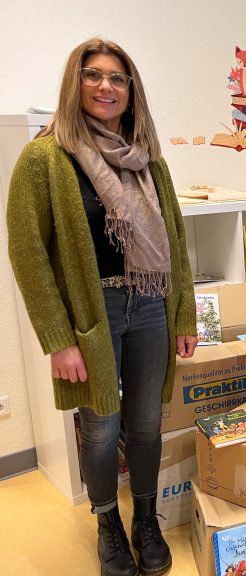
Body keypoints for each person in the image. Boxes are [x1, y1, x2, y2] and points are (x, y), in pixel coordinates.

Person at [6, 38, 197, 576]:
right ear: (76, 82)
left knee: (145, 423)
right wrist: (58, 338)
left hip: (151, 305)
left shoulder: (149, 163)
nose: (106, 86)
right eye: (94, 75)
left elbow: (176, 242)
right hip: (94, 315)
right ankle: (108, 521)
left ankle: (147, 519)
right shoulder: (46, 156)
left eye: (118, 78)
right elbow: (28, 252)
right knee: (101, 427)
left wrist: (182, 314)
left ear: (131, 92)